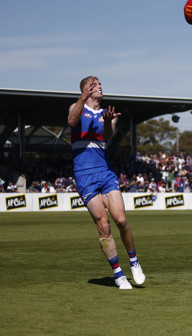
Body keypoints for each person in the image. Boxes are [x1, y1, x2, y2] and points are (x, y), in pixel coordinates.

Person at [68, 76, 145, 290]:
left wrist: (110, 121)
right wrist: (82, 97)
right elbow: (72, 123)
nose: (100, 87)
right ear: (86, 90)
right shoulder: (76, 107)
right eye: (94, 85)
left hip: (105, 171)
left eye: (100, 84)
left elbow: (107, 136)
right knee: (103, 225)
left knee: (121, 220)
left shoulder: (108, 113)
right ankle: (119, 274)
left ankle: (134, 260)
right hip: (84, 175)